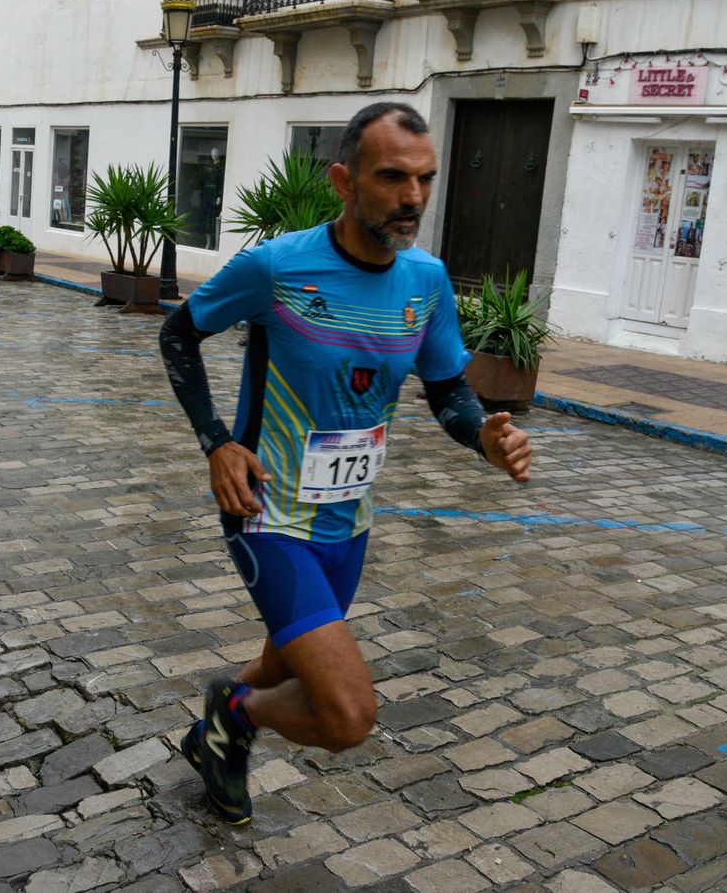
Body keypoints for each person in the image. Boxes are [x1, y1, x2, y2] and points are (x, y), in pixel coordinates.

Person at [158, 102, 533, 826]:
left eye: (424, 179)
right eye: (392, 177)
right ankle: (235, 714)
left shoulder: (425, 279)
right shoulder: (277, 266)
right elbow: (179, 334)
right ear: (343, 179)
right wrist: (217, 442)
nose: (413, 197)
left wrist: (481, 435)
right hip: (267, 512)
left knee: (281, 663)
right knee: (347, 715)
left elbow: (448, 388)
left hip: (350, 518)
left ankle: (222, 727)